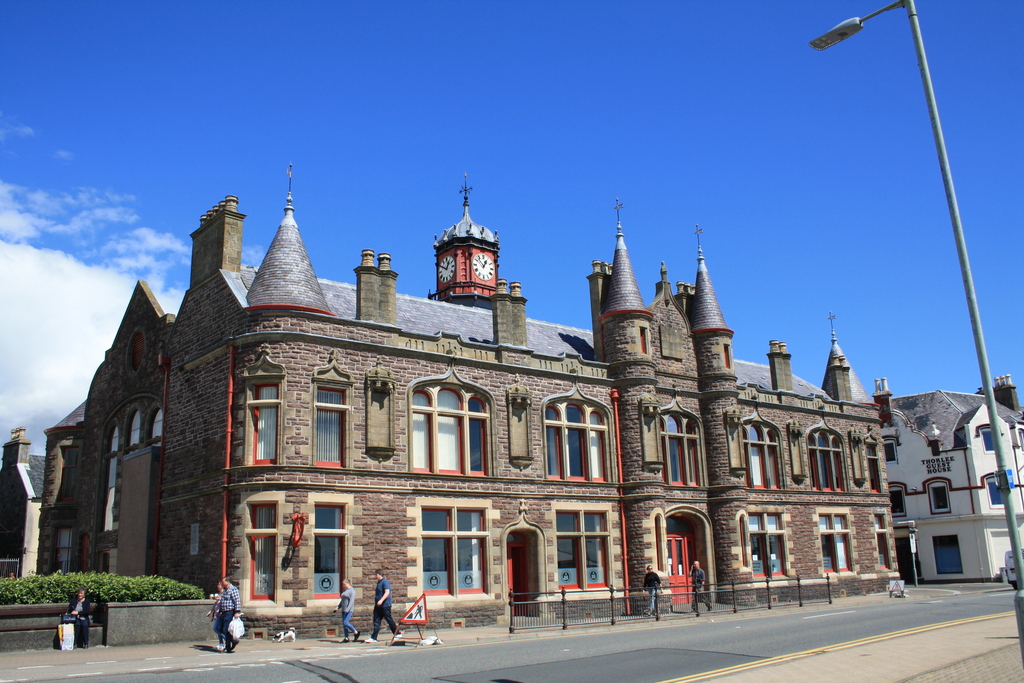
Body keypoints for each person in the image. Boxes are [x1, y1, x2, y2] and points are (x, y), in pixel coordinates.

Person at [365, 570, 401, 643]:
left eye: (376, 575)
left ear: (380, 574)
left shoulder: (385, 582)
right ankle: (374, 637)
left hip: (385, 605)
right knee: (376, 620)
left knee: (388, 619)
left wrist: (381, 600)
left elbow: (387, 592)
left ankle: (397, 633)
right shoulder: (379, 582)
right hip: (378, 606)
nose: (375, 576)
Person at [217, 577, 241, 652]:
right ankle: (232, 641)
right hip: (223, 612)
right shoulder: (225, 590)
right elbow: (223, 600)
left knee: (225, 629)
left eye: (223, 582)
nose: (222, 583)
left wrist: (236, 612)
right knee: (220, 628)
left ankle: (229, 646)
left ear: (227, 582)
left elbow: (237, 600)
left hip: (229, 612)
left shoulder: (233, 589)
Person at [206, 579, 226, 651]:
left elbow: (223, 602)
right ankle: (221, 643)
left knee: (216, 629)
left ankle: (228, 639)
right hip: (216, 613)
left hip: (221, 614)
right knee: (219, 629)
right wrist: (210, 611)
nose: (218, 586)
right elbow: (216, 605)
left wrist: (217, 598)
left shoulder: (224, 594)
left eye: (219, 585)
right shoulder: (219, 594)